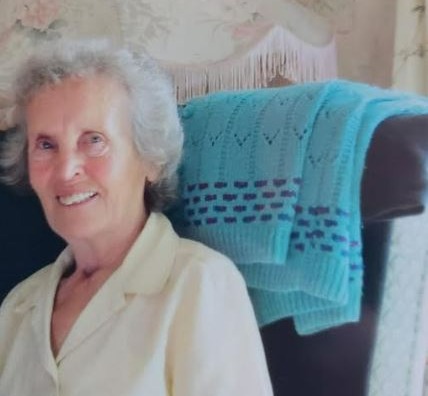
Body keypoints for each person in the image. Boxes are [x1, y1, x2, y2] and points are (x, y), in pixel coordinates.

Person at [0, 41, 273, 396]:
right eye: (46, 145)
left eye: (93, 140)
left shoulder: (199, 283)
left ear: (151, 159)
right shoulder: (19, 306)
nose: (66, 170)